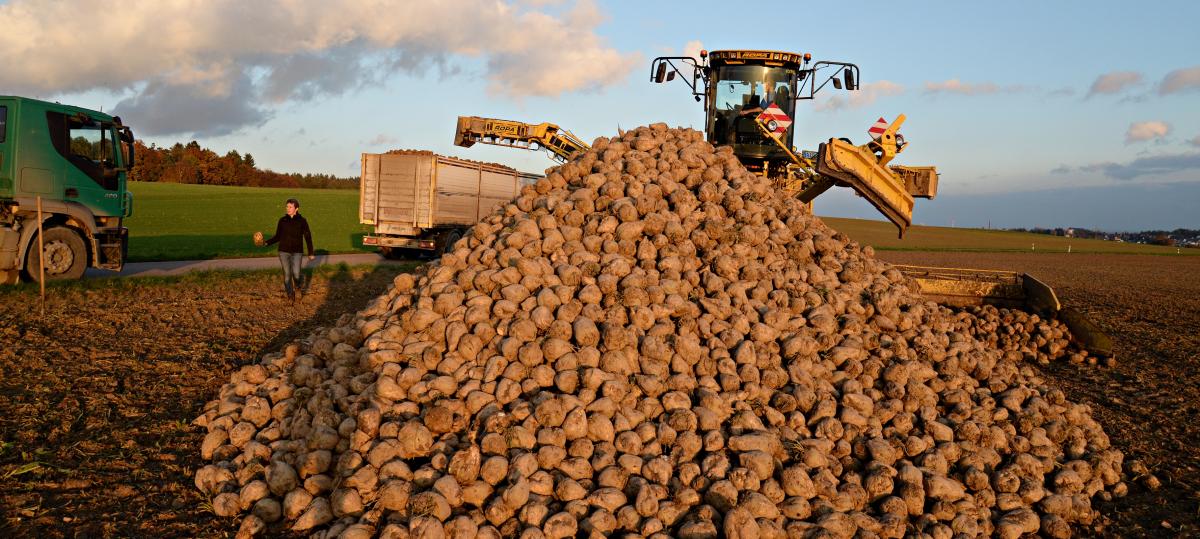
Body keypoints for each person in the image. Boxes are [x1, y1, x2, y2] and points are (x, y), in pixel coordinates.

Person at [258, 198, 314, 301]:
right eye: (287, 206)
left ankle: (297, 287)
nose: (287, 209)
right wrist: (266, 243)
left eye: (290, 207)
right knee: (287, 275)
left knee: (296, 274)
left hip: (297, 252)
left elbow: (308, 236)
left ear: (296, 208)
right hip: (283, 251)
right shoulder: (282, 221)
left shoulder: (302, 221)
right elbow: (277, 236)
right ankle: (290, 296)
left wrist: (310, 252)